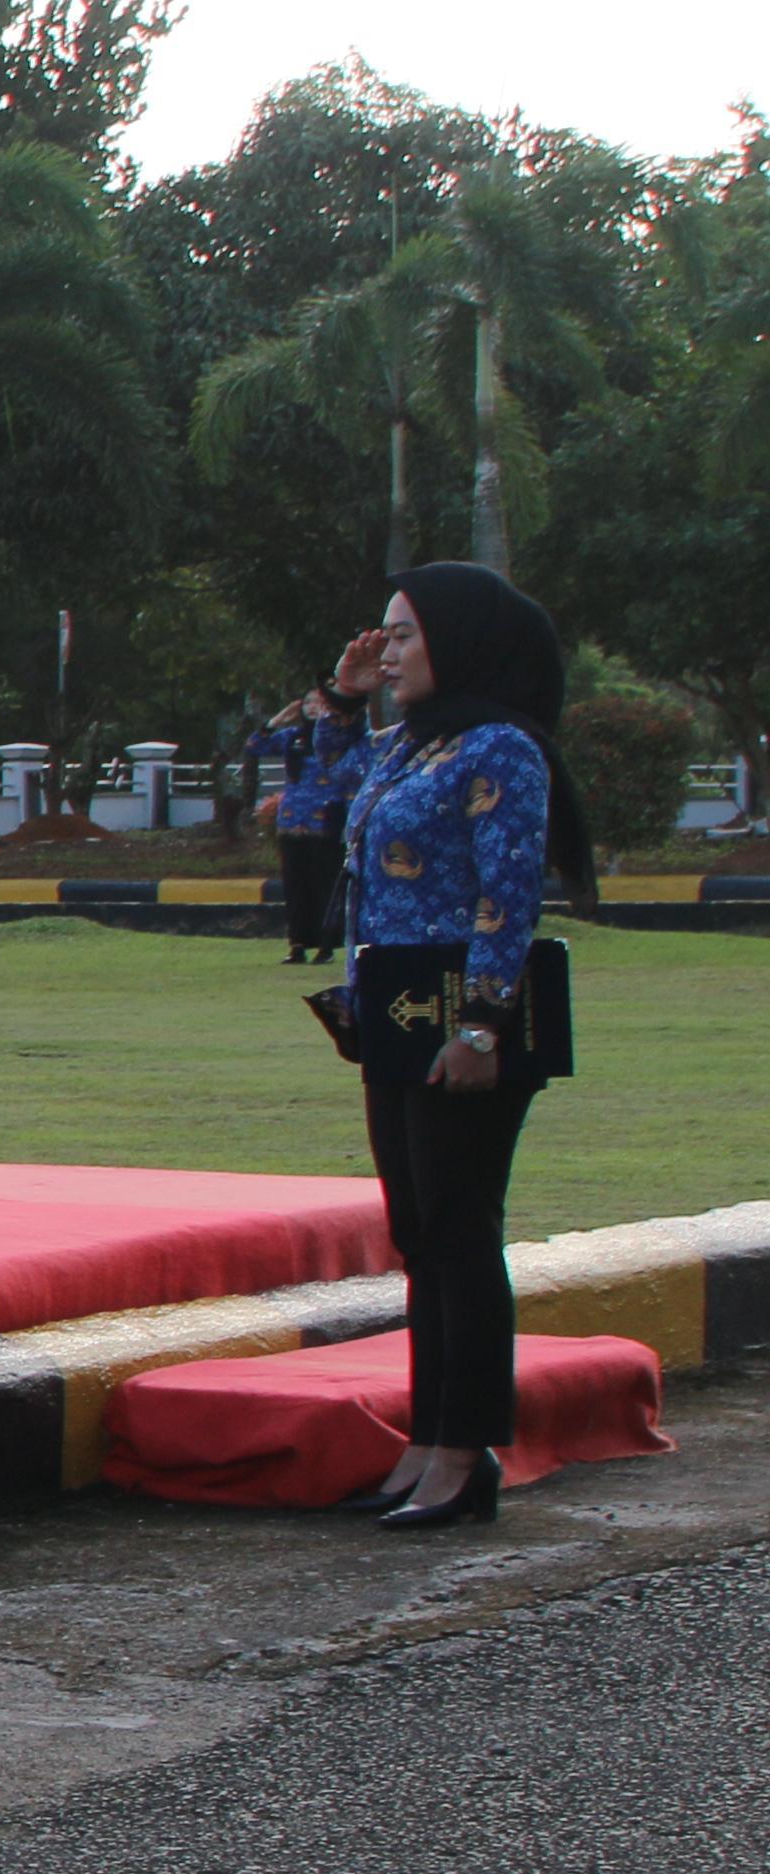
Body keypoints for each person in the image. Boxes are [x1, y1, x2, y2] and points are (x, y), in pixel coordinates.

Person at [280, 564, 596, 1530]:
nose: (392, 651)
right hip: (395, 1010)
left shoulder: (499, 749)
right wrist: (342, 697)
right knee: (418, 1235)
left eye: (406, 635)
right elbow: (318, 805)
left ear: (459, 642)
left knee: (462, 1235)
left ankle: (468, 1454)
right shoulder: (411, 746)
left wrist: (483, 1025)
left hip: (464, 1016)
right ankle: (425, 1440)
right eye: (384, 635)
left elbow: (509, 896)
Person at [253, 691, 349, 963]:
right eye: (307, 703)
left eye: (318, 702)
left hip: (325, 820)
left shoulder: (339, 737)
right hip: (293, 820)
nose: (312, 707)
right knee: (295, 885)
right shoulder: (292, 737)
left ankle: (326, 946)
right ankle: (297, 945)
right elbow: (255, 746)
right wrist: (278, 720)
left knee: (324, 884)